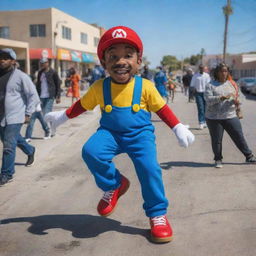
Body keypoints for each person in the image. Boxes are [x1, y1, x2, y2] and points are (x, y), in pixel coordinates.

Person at [45, 26, 195, 243]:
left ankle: (157, 214)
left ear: (138, 61)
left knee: (149, 169)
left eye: (128, 55)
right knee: (91, 151)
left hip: (140, 136)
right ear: (104, 62)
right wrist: (62, 117)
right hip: (110, 133)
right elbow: (82, 105)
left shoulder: (146, 86)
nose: (120, 61)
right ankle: (114, 184)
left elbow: (162, 109)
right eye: (113, 56)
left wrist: (177, 127)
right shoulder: (99, 87)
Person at [204, 63, 256, 168]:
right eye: (221, 71)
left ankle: (249, 156)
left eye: (225, 71)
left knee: (239, 137)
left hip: (230, 115)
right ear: (217, 73)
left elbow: (241, 96)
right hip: (214, 118)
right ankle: (218, 159)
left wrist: (238, 101)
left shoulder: (232, 83)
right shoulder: (210, 85)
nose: (224, 73)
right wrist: (221, 97)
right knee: (216, 140)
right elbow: (208, 100)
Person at [0, 48, 40, 185]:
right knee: (12, 140)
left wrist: (28, 113)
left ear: (13, 61)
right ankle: (30, 150)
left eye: (6, 58)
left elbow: (33, 95)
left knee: (8, 146)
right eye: (1, 57)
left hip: (15, 116)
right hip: (1, 117)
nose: (2, 60)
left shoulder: (21, 76)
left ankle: (7, 174)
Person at [190, 64, 211, 129]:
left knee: (206, 108)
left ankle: (205, 122)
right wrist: (193, 92)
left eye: (203, 68)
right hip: (198, 93)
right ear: (199, 69)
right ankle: (201, 122)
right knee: (200, 108)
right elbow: (192, 85)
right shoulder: (195, 76)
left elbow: (209, 85)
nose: (202, 69)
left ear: (204, 69)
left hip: (205, 93)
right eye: (201, 68)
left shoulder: (207, 76)